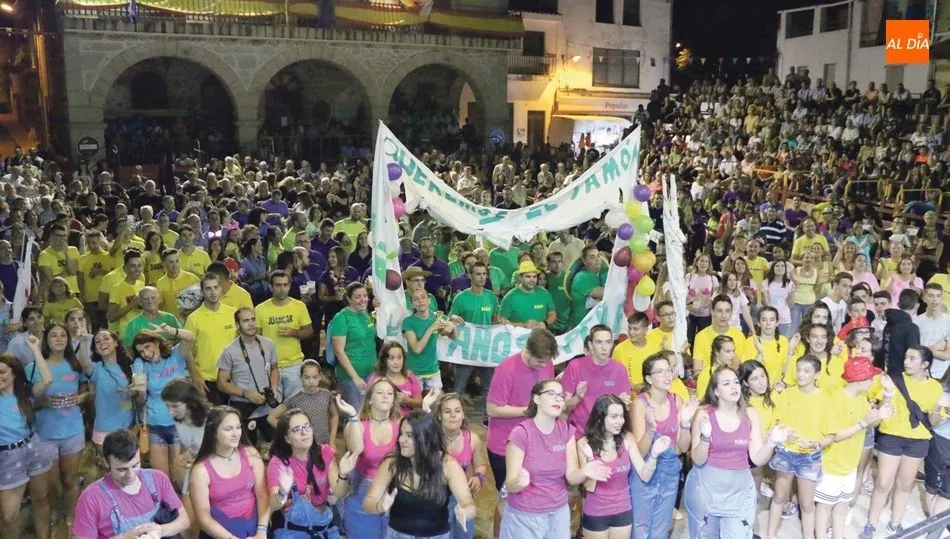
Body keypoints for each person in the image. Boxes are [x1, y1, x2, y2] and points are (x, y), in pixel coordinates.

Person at [684, 367, 789, 538]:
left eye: (736, 382)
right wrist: (705, 437)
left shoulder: (751, 413)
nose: (734, 387)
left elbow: (757, 459)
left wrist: (771, 442)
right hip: (705, 488)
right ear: (716, 391)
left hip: (739, 490)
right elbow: (697, 459)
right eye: (726, 383)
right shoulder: (704, 414)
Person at [500, 379, 611, 539]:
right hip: (525, 515)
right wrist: (520, 482)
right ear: (536, 399)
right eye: (552, 394)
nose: (558, 399)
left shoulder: (566, 430)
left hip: (558, 512)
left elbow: (572, 477)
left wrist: (586, 471)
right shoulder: (521, 433)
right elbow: (510, 484)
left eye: (561, 395)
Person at [861, 347, 944, 537]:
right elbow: (881, 411)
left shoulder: (935, 387)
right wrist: (888, 394)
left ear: (925, 365)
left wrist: (938, 411)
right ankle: (871, 524)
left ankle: (895, 521)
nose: (906, 361)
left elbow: (933, 422)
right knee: (883, 483)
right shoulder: (893, 379)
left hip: (918, 440)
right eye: (906, 356)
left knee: (905, 484)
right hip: (892, 436)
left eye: (912, 358)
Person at [363, 410, 478, 538]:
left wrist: (465, 511)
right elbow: (368, 501)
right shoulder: (392, 463)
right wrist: (379, 506)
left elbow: (469, 503)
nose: (402, 440)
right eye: (401, 434)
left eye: (409, 435)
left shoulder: (448, 465)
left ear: (426, 438)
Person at [486, 328, 557, 533]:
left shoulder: (547, 363)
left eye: (547, 361)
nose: (544, 366)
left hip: (533, 442)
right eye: (540, 361)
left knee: (528, 496)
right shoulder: (506, 369)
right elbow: (492, 408)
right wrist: (526, 411)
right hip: (504, 444)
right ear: (528, 350)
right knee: (506, 497)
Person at [815, 356, 891, 539]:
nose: (873, 382)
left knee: (842, 507)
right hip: (831, 466)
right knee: (824, 509)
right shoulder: (836, 400)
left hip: (849, 465)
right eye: (871, 378)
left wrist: (887, 397)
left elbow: (871, 423)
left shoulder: (861, 398)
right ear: (859, 381)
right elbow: (834, 435)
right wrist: (863, 423)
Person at [577, 394, 671, 539]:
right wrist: (590, 458)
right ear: (601, 418)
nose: (620, 421)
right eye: (614, 416)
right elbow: (589, 487)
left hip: (623, 510)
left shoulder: (627, 438)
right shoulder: (585, 444)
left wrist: (654, 455)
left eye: (621, 416)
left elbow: (645, 475)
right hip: (596, 511)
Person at [26, 323, 89, 531]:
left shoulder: (75, 364)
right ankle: (50, 515)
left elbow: (88, 390)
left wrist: (80, 397)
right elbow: (23, 401)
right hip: (45, 434)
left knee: (70, 480)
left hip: (73, 431)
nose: (59, 339)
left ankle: (72, 517)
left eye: (63, 335)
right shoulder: (33, 366)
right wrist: (40, 403)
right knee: (50, 486)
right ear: (46, 340)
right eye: (54, 335)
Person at [72, 429, 190, 539]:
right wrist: (125, 537)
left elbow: (184, 520)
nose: (131, 475)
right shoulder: (91, 498)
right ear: (106, 463)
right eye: (122, 470)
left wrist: (160, 531)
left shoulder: (158, 479)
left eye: (135, 465)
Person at [629, 352, 694, 539]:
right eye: (660, 372)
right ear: (648, 378)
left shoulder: (677, 400)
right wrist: (651, 429)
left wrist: (685, 424)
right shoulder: (640, 404)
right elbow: (640, 452)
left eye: (669, 370)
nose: (667, 375)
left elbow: (682, 447)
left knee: (661, 527)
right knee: (640, 528)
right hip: (645, 473)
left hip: (670, 473)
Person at [765, 355, 829, 539]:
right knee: (779, 496)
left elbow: (831, 434)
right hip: (786, 453)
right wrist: (785, 433)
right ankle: (770, 534)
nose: (801, 374)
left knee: (807, 504)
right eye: (799, 369)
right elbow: (777, 421)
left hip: (809, 457)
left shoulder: (825, 399)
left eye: (806, 371)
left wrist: (816, 443)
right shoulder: (787, 394)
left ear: (817, 374)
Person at [267, 408, 354, 539]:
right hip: (294, 527)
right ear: (287, 438)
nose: (305, 432)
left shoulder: (324, 452)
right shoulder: (278, 463)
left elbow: (339, 493)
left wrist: (343, 474)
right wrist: (283, 491)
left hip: (322, 520)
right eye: (296, 429)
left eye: (307, 426)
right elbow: (273, 505)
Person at [189, 406, 270, 539]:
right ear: (214, 431)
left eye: (238, 427)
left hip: (254, 526)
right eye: (228, 429)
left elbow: (262, 495)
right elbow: (204, 519)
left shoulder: (250, 454)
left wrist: (261, 531)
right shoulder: (200, 471)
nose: (236, 433)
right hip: (221, 532)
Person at [336, 378, 401, 538]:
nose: (385, 396)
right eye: (380, 393)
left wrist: (426, 409)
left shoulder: (401, 425)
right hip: (361, 496)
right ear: (370, 399)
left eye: (389, 393)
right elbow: (356, 449)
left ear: (394, 401)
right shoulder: (357, 424)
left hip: (393, 497)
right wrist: (353, 416)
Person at [0, 347, 54, 539]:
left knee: (41, 500)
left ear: (14, 373)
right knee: (7, 516)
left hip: (34, 448)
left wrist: (35, 349)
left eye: (2, 372)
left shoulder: (25, 393)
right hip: (7, 457)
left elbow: (47, 379)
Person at [133, 328, 196, 478]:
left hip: (180, 425)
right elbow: (140, 401)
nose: (145, 353)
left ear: (156, 342)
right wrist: (139, 393)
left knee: (182, 480)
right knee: (161, 479)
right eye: (141, 351)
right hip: (156, 426)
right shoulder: (141, 365)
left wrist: (169, 329)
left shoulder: (176, 355)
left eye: (147, 347)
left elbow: (190, 337)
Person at [217, 307, 280, 444]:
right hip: (244, 409)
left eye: (253, 319)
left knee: (277, 449)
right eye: (246, 321)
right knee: (248, 453)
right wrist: (246, 393)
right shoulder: (229, 351)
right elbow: (222, 384)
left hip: (267, 407)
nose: (251, 324)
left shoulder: (268, 344)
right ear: (237, 325)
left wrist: (274, 389)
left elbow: (274, 368)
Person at [75, 329, 139, 458]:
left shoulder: (129, 365)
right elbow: (85, 364)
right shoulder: (96, 367)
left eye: (106, 338)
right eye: (97, 341)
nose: (102, 342)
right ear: (96, 350)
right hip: (105, 430)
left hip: (129, 428)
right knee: (109, 471)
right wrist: (83, 342)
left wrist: (135, 392)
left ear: (115, 342)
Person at [435, 392, 489, 539]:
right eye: (447, 411)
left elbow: (480, 465)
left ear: (463, 415)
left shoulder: (473, 439)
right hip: (436, 499)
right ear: (439, 416)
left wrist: (478, 477)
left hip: (463, 498)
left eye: (457, 411)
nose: (453, 415)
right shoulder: (431, 439)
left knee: (462, 534)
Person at [561, 325, 630, 438]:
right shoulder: (575, 366)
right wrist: (577, 397)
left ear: (612, 344)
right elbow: (563, 408)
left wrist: (623, 404)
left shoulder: (619, 369)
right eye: (599, 342)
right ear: (590, 345)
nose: (604, 348)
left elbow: (625, 409)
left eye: (608, 342)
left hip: (610, 436)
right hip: (581, 435)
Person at [160, 378, 209, 535]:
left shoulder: (211, 419)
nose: (170, 411)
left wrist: (196, 458)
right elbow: (190, 447)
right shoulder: (179, 421)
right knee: (190, 522)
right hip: (193, 474)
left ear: (189, 402)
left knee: (208, 521)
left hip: (212, 476)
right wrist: (182, 456)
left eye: (174, 406)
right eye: (168, 406)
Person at [254, 270, 313, 400]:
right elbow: (256, 338)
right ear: (271, 287)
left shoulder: (299, 306)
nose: (282, 289)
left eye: (285, 285)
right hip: (270, 366)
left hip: (294, 364)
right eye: (278, 285)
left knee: (295, 406)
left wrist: (295, 333)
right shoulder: (259, 310)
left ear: (290, 286)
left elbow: (309, 331)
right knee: (273, 406)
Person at [183, 273, 238, 405]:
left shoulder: (233, 313)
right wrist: (196, 375)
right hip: (208, 381)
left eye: (215, 287)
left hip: (234, 378)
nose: (213, 292)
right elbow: (186, 350)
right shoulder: (193, 318)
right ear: (202, 292)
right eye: (208, 288)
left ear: (221, 288)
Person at [448, 261, 498, 395]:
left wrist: (501, 322)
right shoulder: (460, 298)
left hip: (486, 348)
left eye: (484, 274)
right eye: (478, 274)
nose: (482, 277)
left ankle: (488, 416)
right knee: (459, 387)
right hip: (466, 349)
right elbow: (450, 319)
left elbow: (495, 320)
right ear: (469, 275)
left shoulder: (492, 297)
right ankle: (454, 413)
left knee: (489, 388)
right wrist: (452, 318)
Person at [329, 282, 377, 410]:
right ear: (349, 299)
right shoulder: (341, 318)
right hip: (351, 376)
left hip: (371, 371)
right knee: (355, 415)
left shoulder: (366, 313)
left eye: (365, 296)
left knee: (370, 412)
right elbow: (339, 351)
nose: (363, 299)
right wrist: (355, 377)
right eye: (358, 297)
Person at [266, 360, 338, 446]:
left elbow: (334, 415)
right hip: (303, 447)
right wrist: (290, 431)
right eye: (307, 377)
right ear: (300, 377)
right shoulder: (294, 399)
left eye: (314, 377)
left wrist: (332, 439)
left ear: (320, 376)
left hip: (324, 444)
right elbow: (271, 418)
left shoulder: (326, 395)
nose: (311, 381)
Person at [369, 341, 423, 416]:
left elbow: (419, 402)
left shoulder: (409, 376)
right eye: (391, 358)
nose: (396, 362)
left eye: (399, 358)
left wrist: (407, 400)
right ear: (384, 360)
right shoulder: (376, 379)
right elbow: (368, 404)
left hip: (406, 423)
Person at [882, 289, 921, 374]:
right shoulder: (912, 328)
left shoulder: (889, 323)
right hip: (903, 375)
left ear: (898, 304)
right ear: (917, 305)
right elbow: (913, 355)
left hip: (887, 372)